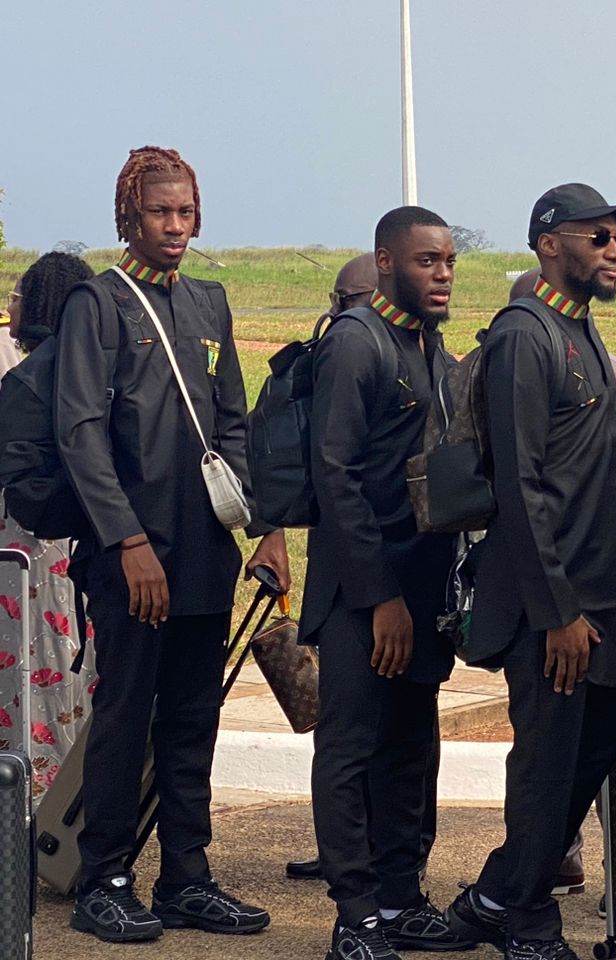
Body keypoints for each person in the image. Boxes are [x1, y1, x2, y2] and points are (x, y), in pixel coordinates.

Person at [445, 183, 616, 960]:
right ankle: (525, 921)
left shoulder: (580, 332)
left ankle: (495, 895)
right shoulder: (526, 336)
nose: (614, 251)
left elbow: (607, 479)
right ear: (549, 243)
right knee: (547, 762)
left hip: (601, 601)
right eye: (598, 238)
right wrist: (557, 612)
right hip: (551, 608)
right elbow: (521, 488)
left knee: (593, 755)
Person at [55, 146, 290, 943]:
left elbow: (233, 424)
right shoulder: (100, 305)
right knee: (126, 715)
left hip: (203, 555)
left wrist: (265, 531)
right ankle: (104, 880)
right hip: (131, 560)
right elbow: (82, 435)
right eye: (161, 212)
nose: (176, 226)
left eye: (186, 212)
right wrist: (125, 541)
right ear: (129, 217)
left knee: (194, 716)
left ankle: (188, 875)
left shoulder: (209, 304)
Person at [304, 207, 471, 960]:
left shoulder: (430, 345)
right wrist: (379, 599)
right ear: (383, 262)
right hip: (360, 594)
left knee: (412, 745)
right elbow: (334, 480)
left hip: (423, 585)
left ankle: (402, 897)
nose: (441, 275)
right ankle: (357, 916)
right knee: (351, 749)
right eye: (426, 262)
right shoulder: (355, 344)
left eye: (448, 262)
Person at [503, 270, 616, 898]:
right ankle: (539, 873)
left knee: (607, 738)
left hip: (599, 592)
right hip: (555, 595)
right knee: (556, 745)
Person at [284, 250, 378, 884]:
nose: (337, 315)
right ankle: (351, 872)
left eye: (348, 301)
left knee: (391, 739)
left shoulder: (412, 357)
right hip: (351, 588)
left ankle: (382, 869)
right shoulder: (342, 358)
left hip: (385, 587)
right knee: (345, 737)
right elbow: (334, 479)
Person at [0, 252, 99, 804]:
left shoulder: (29, 382)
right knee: (64, 664)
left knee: (34, 666)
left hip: (30, 550)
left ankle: (35, 796)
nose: (10, 305)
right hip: (67, 548)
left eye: (17, 295)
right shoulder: (88, 377)